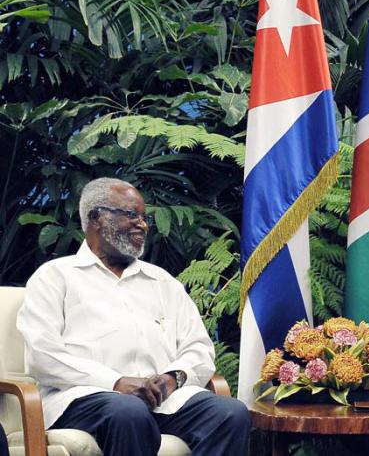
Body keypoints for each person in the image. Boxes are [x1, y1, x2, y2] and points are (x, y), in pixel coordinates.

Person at [17, 177, 251, 456]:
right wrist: (115, 382)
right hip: (84, 398)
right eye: (131, 215)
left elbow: (199, 348)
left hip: (164, 401)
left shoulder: (162, 282)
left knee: (230, 413)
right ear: (96, 218)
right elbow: (42, 355)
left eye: (144, 217)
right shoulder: (55, 277)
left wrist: (172, 378)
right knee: (129, 411)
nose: (142, 224)